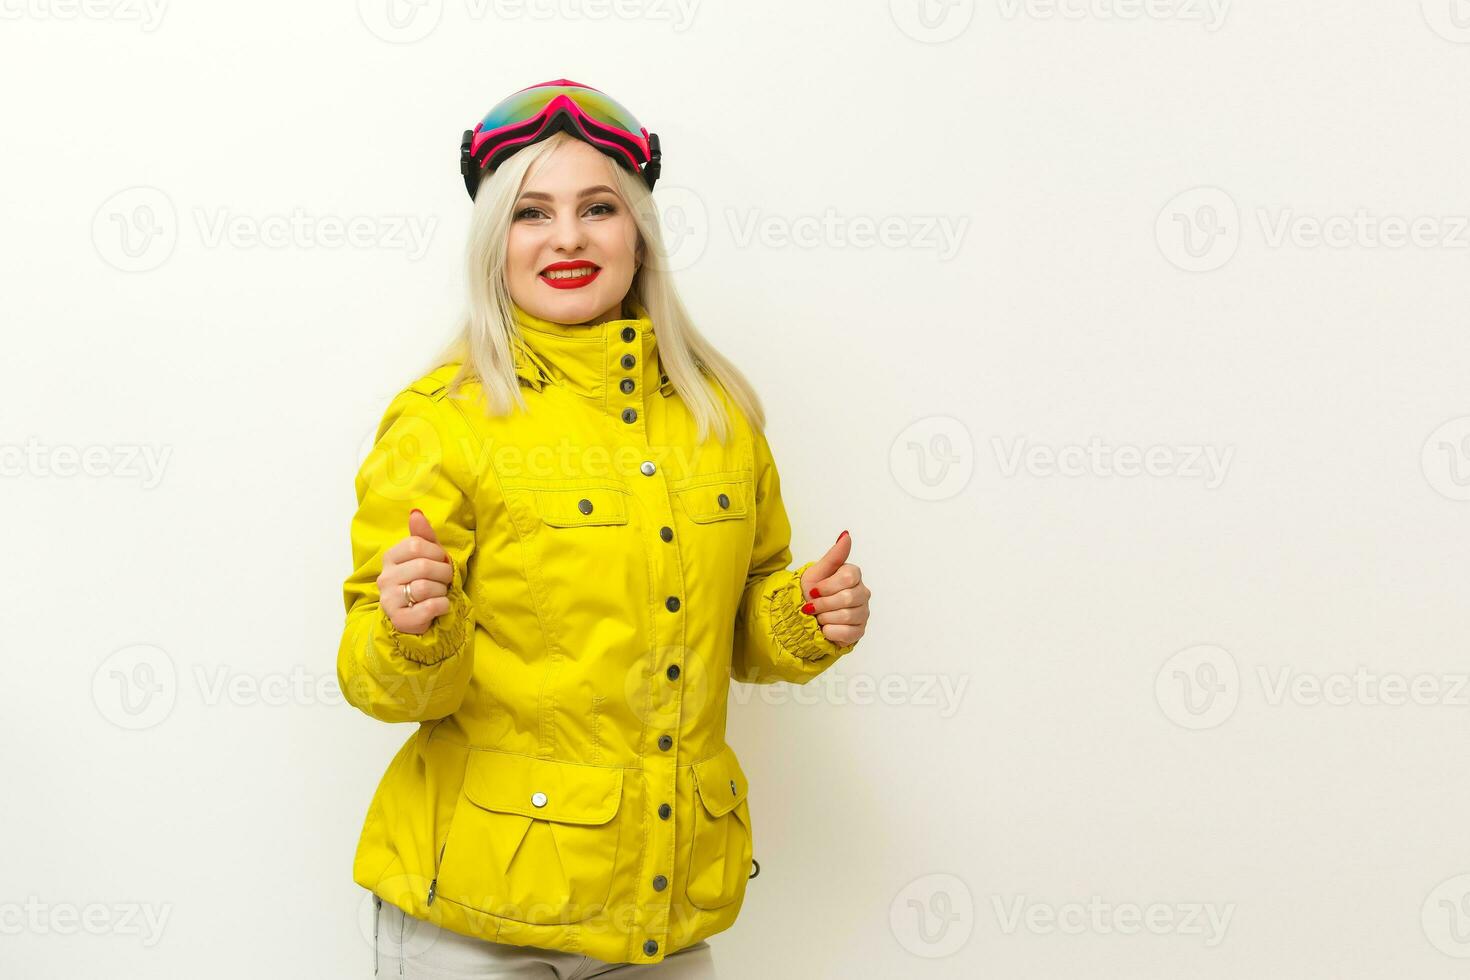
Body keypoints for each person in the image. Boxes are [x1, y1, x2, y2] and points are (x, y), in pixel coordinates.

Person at [337, 80, 873, 978]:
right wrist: (406, 628)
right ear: (493, 244)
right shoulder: (443, 422)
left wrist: (804, 616)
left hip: (662, 906)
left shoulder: (719, 416)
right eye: (531, 213)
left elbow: (744, 622)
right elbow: (382, 684)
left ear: (640, 235)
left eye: (598, 208)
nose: (570, 237)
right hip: (477, 919)